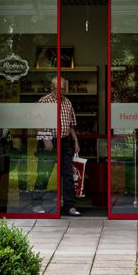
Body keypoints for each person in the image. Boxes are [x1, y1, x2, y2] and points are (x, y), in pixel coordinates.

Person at [32, 76, 80, 216]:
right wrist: (46, 138)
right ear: (52, 88)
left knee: (68, 174)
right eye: (59, 89)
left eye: (64, 89)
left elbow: (71, 124)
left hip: (65, 141)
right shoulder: (44, 101)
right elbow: (37, 122)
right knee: (44, 173)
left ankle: (69, 206)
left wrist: (75, 140)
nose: (62, 91)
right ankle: (36, 204)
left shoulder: (67, 102)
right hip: (48, 140)